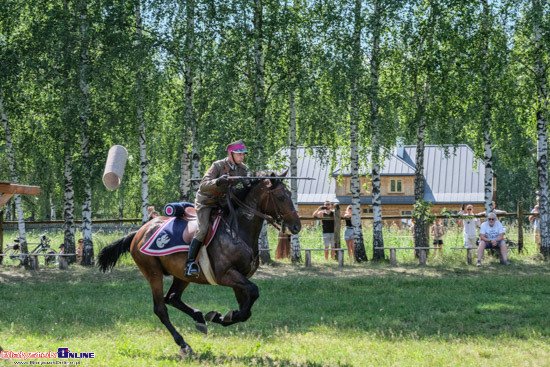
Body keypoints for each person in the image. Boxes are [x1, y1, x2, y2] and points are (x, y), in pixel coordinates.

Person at [184, 139, 249, 278]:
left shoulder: (243, 169)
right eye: (239, 154)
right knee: (203, 230)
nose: (242, 157)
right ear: (231, 154)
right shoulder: (218, 166)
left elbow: (248, 185)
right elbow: (203, 185)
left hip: (224, 201)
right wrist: (218, 181)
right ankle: (190, 264)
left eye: (243, 154)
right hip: (206, 201)